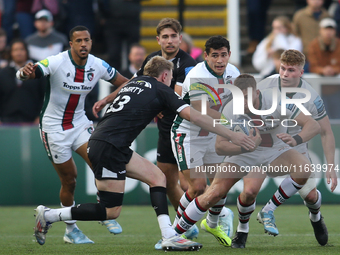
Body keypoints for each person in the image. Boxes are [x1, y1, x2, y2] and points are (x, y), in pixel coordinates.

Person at [33, 55, 256, 250]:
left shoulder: (135, 83)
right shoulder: (160, 88)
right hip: (109, 147)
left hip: (105, 142)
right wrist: (231, 133)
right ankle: (51, 215)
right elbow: (194, 116)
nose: (171, 83)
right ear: (164, 75)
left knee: (157, 177)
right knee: (110, 211)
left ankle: (169, 235)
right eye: (170, 78)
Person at [173, 73, 321, 248]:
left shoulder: (277, 101)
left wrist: (296, 139)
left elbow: (313, 125)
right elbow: (220, 147)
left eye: (246, 97)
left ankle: (268, 210)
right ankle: (174, 233)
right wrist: (244, 147)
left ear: (257, 93)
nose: (242, 102)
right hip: (243, 153)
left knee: (304, 168)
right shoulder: (229, 109)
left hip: (275, 150)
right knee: (214, 193)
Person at [17, 25, 129, 244]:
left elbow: (125, 82)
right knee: (70, 180)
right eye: (78, 41)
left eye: (87, 40)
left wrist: (113, 98)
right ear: (71, 44)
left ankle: (105, 212)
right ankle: (71, 230)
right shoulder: (57, 61)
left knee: (101, 162)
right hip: (54, 129)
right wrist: (24, 72)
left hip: (79, 124)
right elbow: (31, 72)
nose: (83, 44)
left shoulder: (97, 65)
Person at [238, 49, 337, 247]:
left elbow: (325, 131)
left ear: (301, 72)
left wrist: (331, 166)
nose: (284, 74)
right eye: (282, 68)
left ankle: (316, 217)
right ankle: (241, 232)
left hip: (294, 145)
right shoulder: (266, 83)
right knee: (249, 192)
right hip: (265, 144)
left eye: (291, 70)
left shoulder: (311, 97)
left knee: (310, 195)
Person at [133, 18, 199, 248]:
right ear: (158, 39)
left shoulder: (187, 63)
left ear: (180, 38)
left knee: (190, 183)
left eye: (174, 36)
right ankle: (186, 222)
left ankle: (214, 217)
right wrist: (108, 98)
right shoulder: (152, 61)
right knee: (167, 180)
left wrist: (157, 106)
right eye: (165, 36)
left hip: (183, 128)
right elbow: (137, 83)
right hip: (164, 129)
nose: (170, 40)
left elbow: (178, 96)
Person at [171, 35, 241, 247]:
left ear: (229, 54)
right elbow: (203, 110)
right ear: (206, 56)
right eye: (215, 56)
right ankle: (175, 231)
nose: (219, 60)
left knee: (221, 183)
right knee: (199, 187)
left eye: (223, 55)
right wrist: (232, 126)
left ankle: (212, 223)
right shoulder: (196, 75)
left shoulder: (234, 72)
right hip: (189, 134)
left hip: (214, 134)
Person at [0, 39, 45, 124]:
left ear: (26, 51)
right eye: (15, 50)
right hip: (7, 120)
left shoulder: (37, 71)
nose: (18, 53)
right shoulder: (3, 73)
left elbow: (44, 95)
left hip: (32, 120)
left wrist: (40, 116)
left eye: (21, 49)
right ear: (11, 52)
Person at [307, 18, 340, 119]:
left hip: (336, 90)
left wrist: (334, 70)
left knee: (337, 117)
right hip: (319, 91)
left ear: (335, 31)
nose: (328, 32)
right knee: (322, 118)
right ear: (320, 30)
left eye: (331, 29)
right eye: (326, 29)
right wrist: (323, 71)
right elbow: (312, 65)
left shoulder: (338, 44)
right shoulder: (313, 45)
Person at [98, 0, 141, 72]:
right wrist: (101, 16)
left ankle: (132, 78)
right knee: (113, 54)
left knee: (133, 54)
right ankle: (114, 79)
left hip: (132, 20)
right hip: (112, 21)